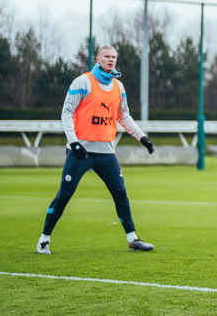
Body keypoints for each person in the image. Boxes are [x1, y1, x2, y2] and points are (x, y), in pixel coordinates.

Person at [37, 45, 155, 255]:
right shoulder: (82, 82)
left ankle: (133, 239)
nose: (111, 60)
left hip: (107, 153)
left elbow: (123, 116)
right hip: (80, 152)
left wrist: (141, 136)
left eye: (114, 57)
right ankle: (44, 240)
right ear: (98, 59)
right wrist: (73, 142)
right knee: (65, 194)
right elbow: (67, 112)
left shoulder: (118, 86)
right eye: (107, 56)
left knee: (121, 193)